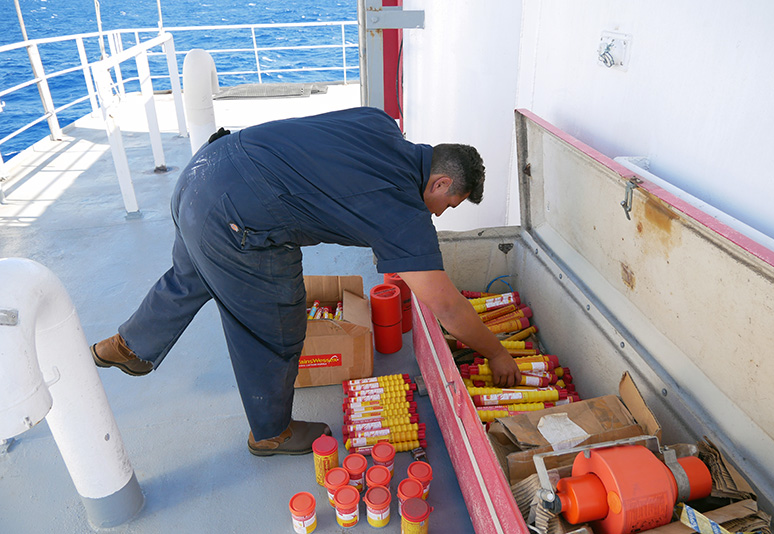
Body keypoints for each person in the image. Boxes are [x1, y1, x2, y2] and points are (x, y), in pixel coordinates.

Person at [91, 106, 522, 456]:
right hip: (235, 218)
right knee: (275, 323)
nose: (441, 214)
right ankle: (270, 433)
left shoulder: (378, 123)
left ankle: (129, 344)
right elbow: (445, 305)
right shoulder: (402, 209)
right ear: (441, 180)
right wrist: (497, 354)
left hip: (202, 173)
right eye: (448, 203)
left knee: (194, 272)